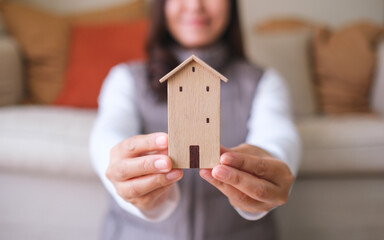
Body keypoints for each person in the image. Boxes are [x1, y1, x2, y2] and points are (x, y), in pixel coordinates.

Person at [90, 0, 301, 239]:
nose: (194, 5)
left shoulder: (263, 82)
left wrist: (271, 163)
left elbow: (279, 137)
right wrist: (122, 169)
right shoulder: (125, 78)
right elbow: (107, 134)